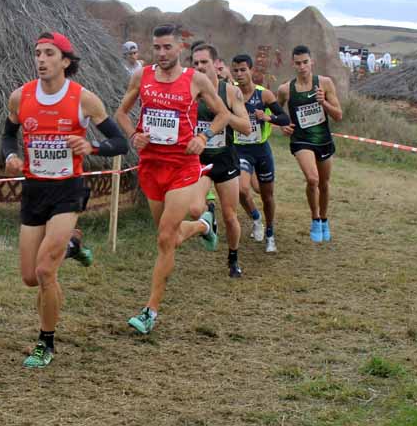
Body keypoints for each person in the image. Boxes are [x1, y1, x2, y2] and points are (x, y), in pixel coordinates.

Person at [3, 32, 128, 367]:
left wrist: (93, 147)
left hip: (67, 190)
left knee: (45, 271)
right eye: (37, 53)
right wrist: (10, 156)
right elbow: (7, 135)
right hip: (34, 190)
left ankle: (46, 343)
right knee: (29, 277)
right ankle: (72, 247)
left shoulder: (83, 100)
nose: (41, 60)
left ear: (66, 61)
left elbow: (120, 142)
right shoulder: (21, 96)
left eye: (49, 54)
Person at [115, 24, 229, 334]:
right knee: (172, 237)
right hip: (151, 165)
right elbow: (121, 113)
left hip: (182, 165)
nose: (162, 53)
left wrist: (203, 137)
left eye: (168, 47)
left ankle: (150, 310)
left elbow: (223, 115)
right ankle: (203, 225)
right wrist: (134, 134)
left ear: (180, 48)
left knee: (165, 238)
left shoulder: (196, 80)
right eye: (157, 47)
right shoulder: (142, 76)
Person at [190, 44, 252, 277]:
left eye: (204, 62)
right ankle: (208, 218)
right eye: (195, 63)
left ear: (216, 64)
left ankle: (233, 258)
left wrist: (224, 118)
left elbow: (246, 127)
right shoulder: (190, 92)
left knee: (231, 216)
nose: (199, 67)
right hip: (201, 161)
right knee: (195, 209)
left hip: (226, 160)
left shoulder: (230, 92)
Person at [277, 45, 343, 243]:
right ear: (293, 64)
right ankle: (314, 218)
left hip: (322, 139)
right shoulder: (285, 89)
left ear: (311, 62)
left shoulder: (324, 83)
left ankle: (324, 219)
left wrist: (324, 103)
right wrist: (283, 126)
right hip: (301, 140)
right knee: (312, 179)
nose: (302, 66)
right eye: (298, 63)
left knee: (323, 183)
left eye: (305, 62)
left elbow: (338, 115)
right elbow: (276, 111)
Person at [231, 54, 291, 253]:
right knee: (241, 189)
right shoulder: (231, 93)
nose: (239, 74)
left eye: (243, 70)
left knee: (267, 195)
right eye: (236, 70)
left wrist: (267, 117)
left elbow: (284, 118)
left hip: (261, 149)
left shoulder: (263, 94)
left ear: (251, 71)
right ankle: (256, 219)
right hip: (240, 149)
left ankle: (270, 233)